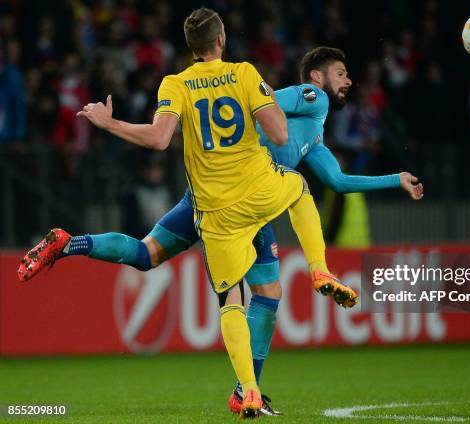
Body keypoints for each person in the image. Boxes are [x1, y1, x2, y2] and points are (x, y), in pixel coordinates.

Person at [17, 45, 424, 415]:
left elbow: (338, 181)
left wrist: (395, 178)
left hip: (203, 199)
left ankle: (71, 243)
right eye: (340, 72)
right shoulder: (309, 95)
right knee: (265, 293)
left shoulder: (314, 136)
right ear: (316, 77)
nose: (348, 80)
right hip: (242, 204)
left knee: (146, 255)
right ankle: (248, 388)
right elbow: (255, 109)